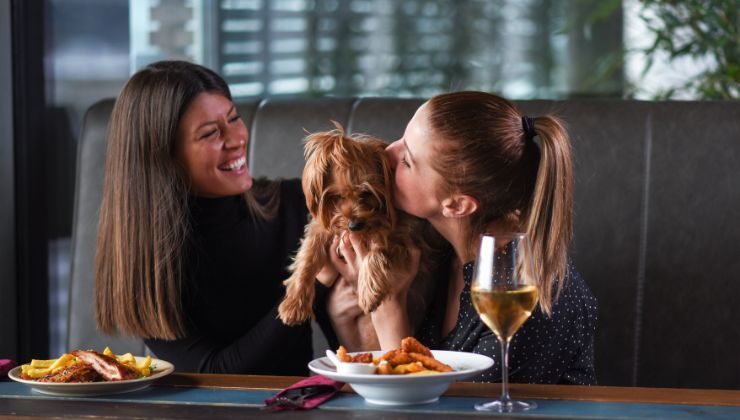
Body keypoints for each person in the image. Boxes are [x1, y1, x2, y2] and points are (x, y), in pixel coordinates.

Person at [330, 91, 598, 384]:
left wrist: (388, 307)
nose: (387, 153)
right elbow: (378, 375)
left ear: (457, 205)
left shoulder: (533, 303)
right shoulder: (430, 247)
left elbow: (446, 411)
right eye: (402, 138)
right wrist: (344, 318)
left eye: (407, 160)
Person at [95, 60, 336, 375]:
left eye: (234, 118)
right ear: (165, 157)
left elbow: (355, 345)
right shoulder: (145, 259)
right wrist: (313, 280)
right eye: (210, 133)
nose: (236, 139)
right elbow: (214, 374)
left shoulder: (297, 204)